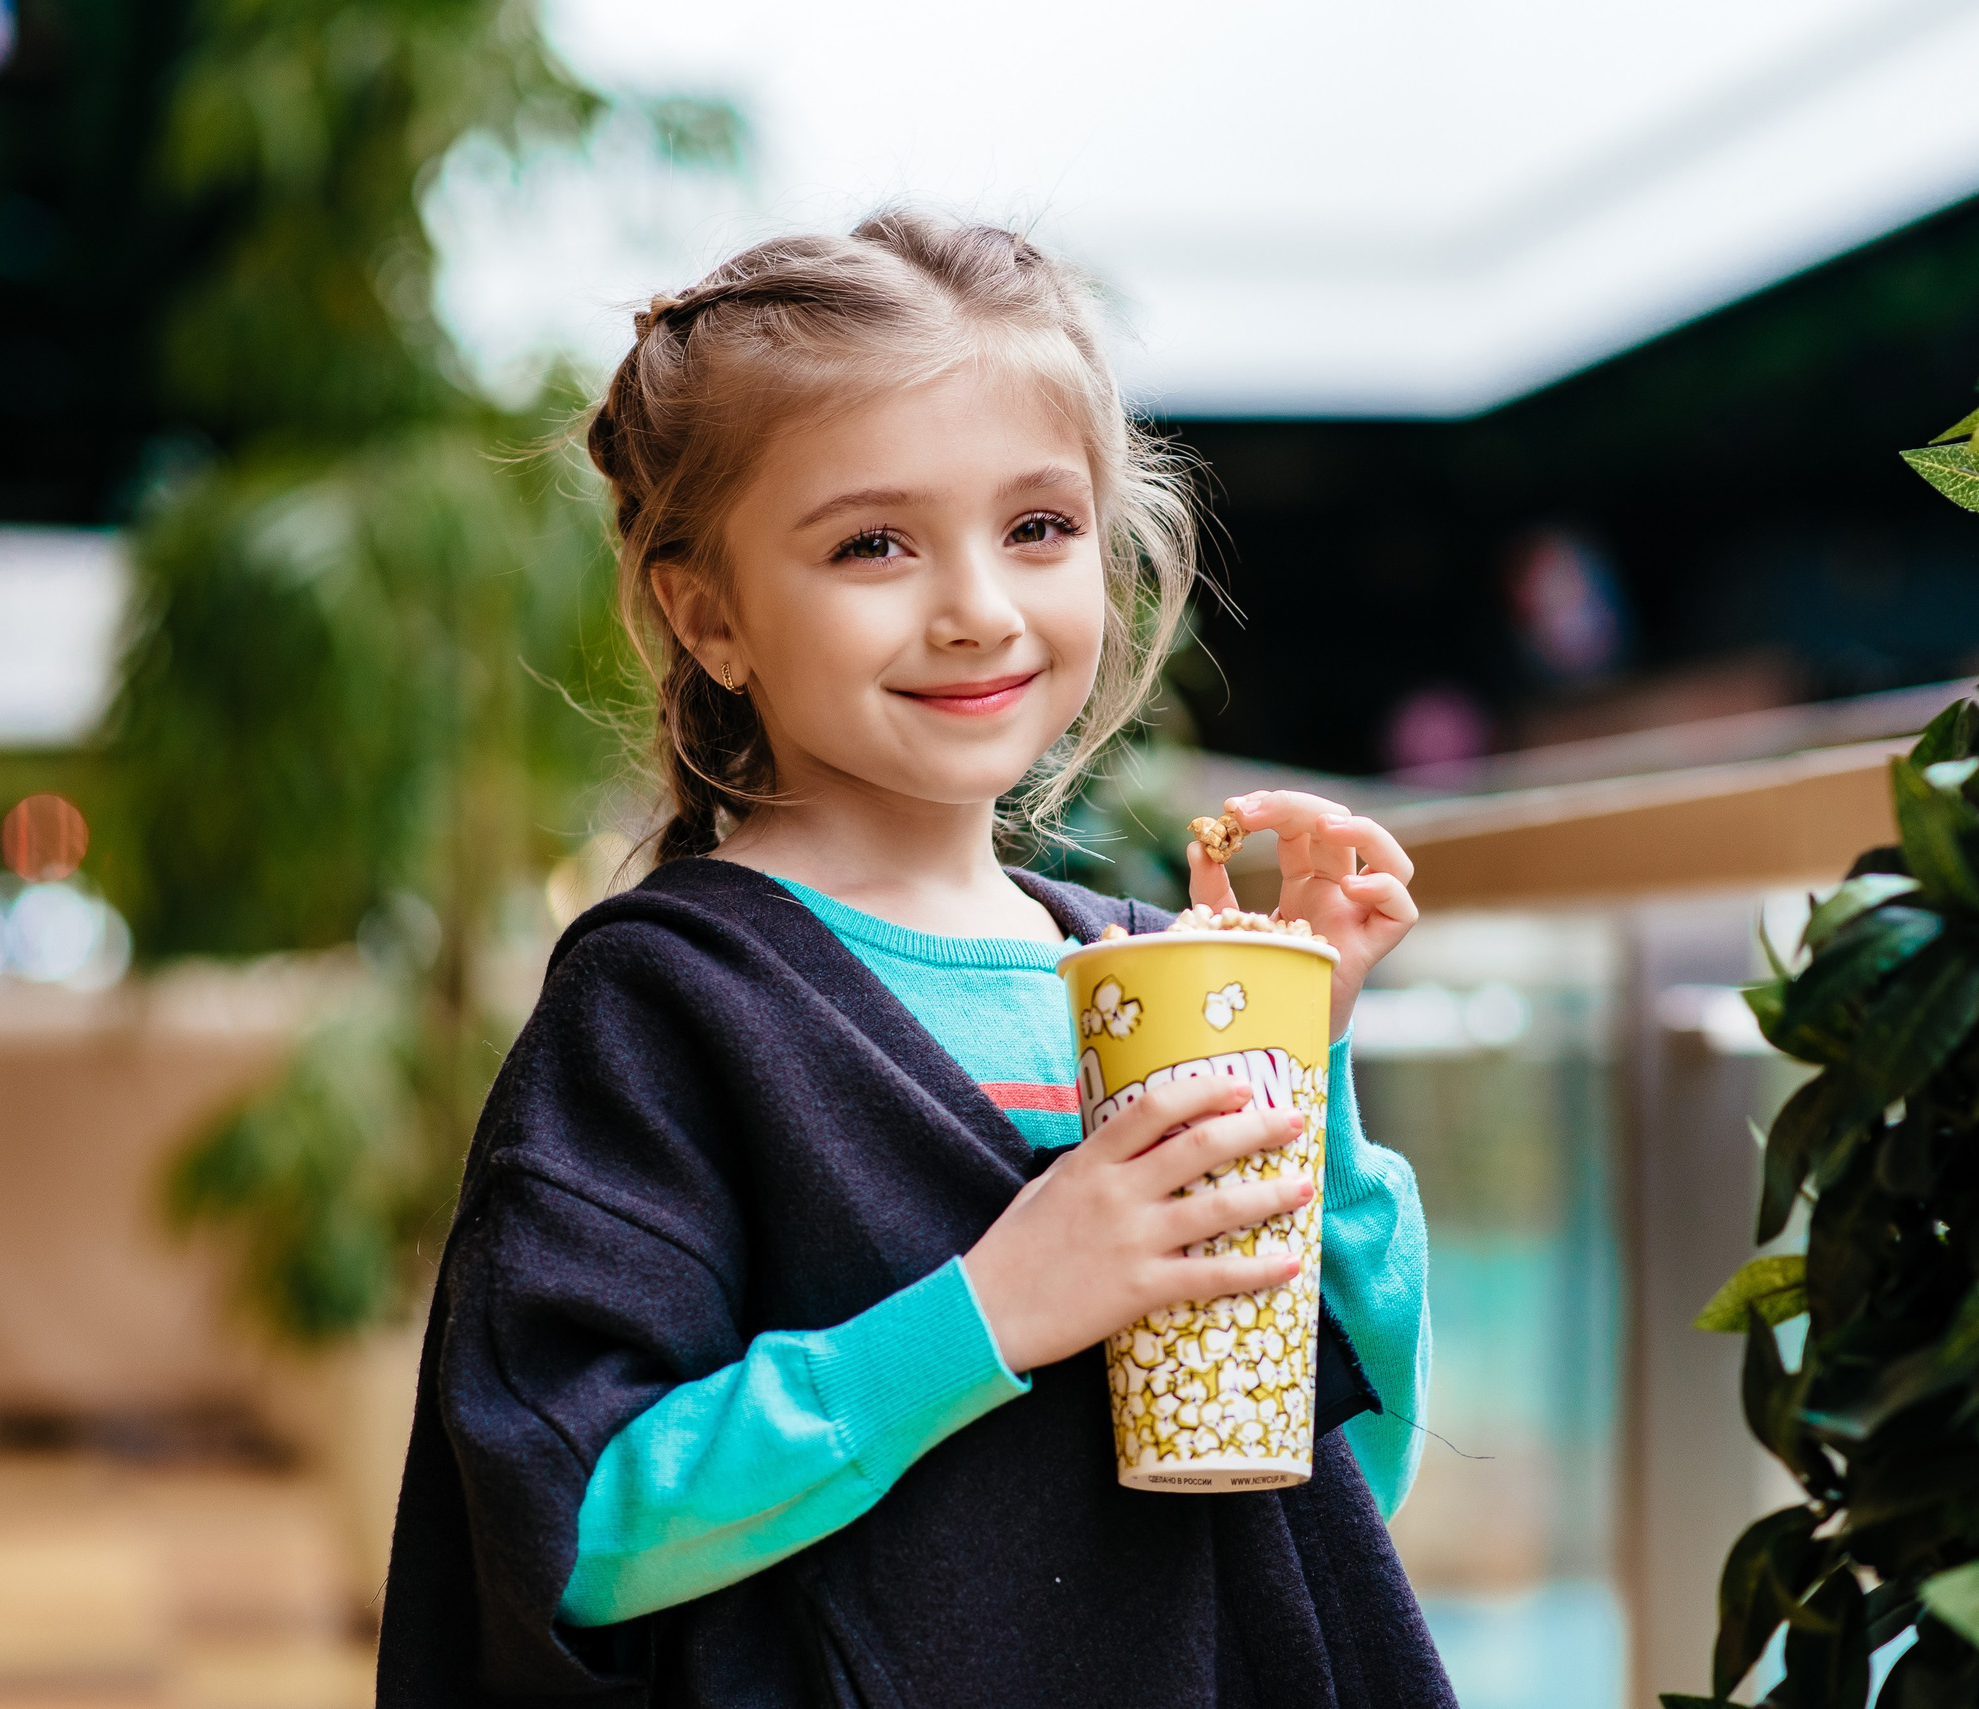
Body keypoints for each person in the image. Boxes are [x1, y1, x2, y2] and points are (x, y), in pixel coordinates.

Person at [378, 212, 1449, 1709]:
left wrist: (1299, 1059)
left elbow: (1341, 1486)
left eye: (1039, 527)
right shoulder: (669, 1001)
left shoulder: (1144, 973)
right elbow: (574, 1527)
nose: (980, 610)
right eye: (873, 543)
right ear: (710, 614)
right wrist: (992, 1311)